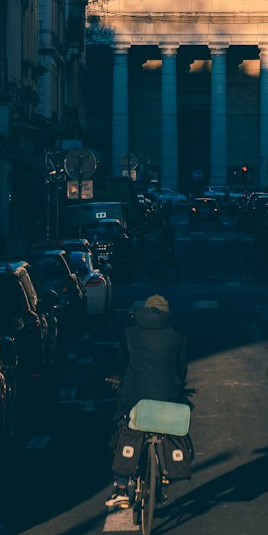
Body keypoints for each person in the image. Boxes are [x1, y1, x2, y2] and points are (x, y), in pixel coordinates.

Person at [107, 294, 188, 508]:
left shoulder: (130, 333)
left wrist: (120, 379)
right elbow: (182, 369)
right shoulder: (178, 336)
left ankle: (121, 487)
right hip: (168, 395)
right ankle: (165, 471)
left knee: (126, 427)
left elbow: (123, 363)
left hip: (135, 396)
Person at [154, 213, 181, 283]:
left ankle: (163, 278)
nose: (162, 221)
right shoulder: (166, 228)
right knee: (167, 263)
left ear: (166, 221)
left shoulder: (167, 229)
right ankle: (162, 277)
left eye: (163, 220)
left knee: (165, 263)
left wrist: (169, 248)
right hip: (165, 248)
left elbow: (169, 239)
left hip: (166, 249)